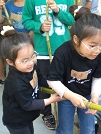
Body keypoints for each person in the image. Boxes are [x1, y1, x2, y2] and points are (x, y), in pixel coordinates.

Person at [47, 14, 101, 134]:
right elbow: (52, 80)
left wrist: (95, 96)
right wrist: (70, 96)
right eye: (92, 46)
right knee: (65, 129)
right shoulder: (63, 52)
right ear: (76, 40)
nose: (97, 50)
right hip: (66, 95)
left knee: (88, 129)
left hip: (87, 95)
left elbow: (98, 77)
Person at [22, 0, 75, 129]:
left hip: (64, 48)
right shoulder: (31, 1)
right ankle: (46, 113)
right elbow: (26, 20)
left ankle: (66, 108)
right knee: (44, 82)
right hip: (42, 50)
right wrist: (39, 26)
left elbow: (72, 21)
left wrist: (58, 11)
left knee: (66, 80)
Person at [1, 27, 62, 134]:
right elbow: (28, 105)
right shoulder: (16, 83)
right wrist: (52, 100)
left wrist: (54, 85)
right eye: (25, 60)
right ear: (10, 62)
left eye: (32, 56)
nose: (31, 63)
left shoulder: (31, 67)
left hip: (26, 117)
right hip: (16, 121)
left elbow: (41, 79)